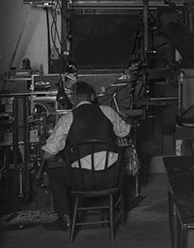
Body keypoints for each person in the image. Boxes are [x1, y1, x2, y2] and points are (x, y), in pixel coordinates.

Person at [41, 81, 132, 230]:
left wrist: (63, 157)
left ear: (72, 99)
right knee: (116, 163)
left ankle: (65, 218)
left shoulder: (67, 119)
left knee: (53, 172)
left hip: (83, 181)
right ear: (92, 97)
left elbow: (47, 156)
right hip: (112, 178)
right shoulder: (107, 111)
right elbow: (125, 132)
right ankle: (108, 211)